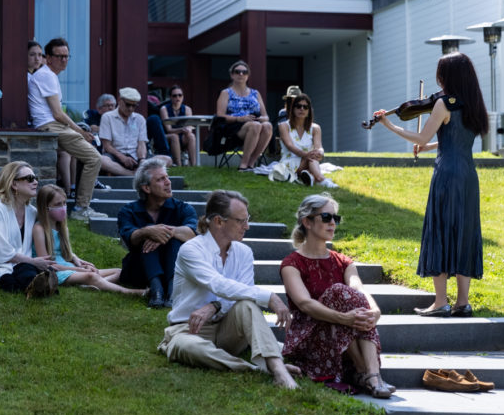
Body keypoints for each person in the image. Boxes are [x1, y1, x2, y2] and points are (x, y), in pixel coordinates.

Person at [373, 52, 488, 318]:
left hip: (447, 174)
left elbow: (420, 134)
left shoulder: (442, 105)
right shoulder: (473, 103)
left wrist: (388, 124)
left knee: (440, 230)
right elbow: (459, 139)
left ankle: (439, 302)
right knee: (463, 233)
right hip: (468, 175)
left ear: (445, 76)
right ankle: (462, 303)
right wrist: (432, 146)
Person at [159, 189, 300, 389]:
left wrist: (215, 306)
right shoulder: (191, 250)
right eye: (241, 221)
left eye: (247, 219)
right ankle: (257, 369)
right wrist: (269, 297)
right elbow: (217, 284)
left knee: (246, 305)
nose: (247, 226)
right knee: (186, 346)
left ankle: (279, 371)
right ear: (218, 221)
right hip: (189, 329)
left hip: (229, 329)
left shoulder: (243, 252)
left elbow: (242, 292)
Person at [280, 194, 394, 398]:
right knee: (338, 292)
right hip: (310, 340)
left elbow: (358, 288)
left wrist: (375, 311)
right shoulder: (292, 264)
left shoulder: (343, 261)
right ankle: (368, 373)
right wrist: (344, 318)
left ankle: (370, 373)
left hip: (343, 344)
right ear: (307, 221)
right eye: (326, 217)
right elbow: (305, 304)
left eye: (336, 218)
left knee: (353, 296)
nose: (333, 223)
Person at [28, 37, 104, 222]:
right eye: (59, 56)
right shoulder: (46, 75)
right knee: (94, 158)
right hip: (50, 126)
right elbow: (57, 114)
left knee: (87, 156)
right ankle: (81, 208)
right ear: (49, 58)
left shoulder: (48, 75)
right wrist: (80, 130)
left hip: (52, 125)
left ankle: (77, 200)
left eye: (67, 56)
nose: (64, 60)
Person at [33, 184, 144, 296]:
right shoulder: (39, 229)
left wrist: (78, 262)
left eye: (64, 203)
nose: (63, 207)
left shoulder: (62, 228)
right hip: (55, 272)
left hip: (68, 267)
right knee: (91, 275)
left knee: (119, 272)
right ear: (45, 208)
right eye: (58, 204)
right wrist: (82, 270)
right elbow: (47, 265)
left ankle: (88, 284)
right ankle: (133, 292)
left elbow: (64, 253)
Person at [0, 161, 58, 295]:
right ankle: (37, 286)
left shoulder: (31, 212)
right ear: (14, 184)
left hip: (20, 263)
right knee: (10, 278)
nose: (36, 182)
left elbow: (54, 234)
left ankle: (39, 285)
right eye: (30, 179)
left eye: (36, 178)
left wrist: (73, 258)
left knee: (26, 270)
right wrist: (33, 261)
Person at [117, 158, 197, 308]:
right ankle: (156, 290)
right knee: (145, 234)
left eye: (167, 177)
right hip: (140, 272)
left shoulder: (183, 208)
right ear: (146, 188)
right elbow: (131, 238)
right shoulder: (128, 211)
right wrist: (148, 231)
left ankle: (172, 291)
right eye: (161, 179)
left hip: (176, 270)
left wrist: (166, 232)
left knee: (175, 239)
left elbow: (192, 235)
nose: (168, 182)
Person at [214, 60, 273, 171]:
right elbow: (220, 116)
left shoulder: (255, 93)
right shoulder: (226, 93)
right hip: (233, 127)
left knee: (267, 125)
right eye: (237, 72)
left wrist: (261, 118)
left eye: (244, 72)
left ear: (248, 75)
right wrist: (239, 118)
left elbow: (266, 116)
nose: (241, 74)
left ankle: (251, 163)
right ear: (232, 75)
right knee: (254, 126)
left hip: (255, 125)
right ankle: (243, 164)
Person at [99, 87, 172, 175]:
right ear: (120, 101)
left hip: (136, 156)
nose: (130, 108)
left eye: (134, 106)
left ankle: (138, 171)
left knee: (168, 160)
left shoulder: (140, 119)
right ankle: (131, 174)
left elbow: (141, 143)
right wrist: (123, 158)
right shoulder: (107, 117)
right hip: (115, 156)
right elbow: (107, 146)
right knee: (101, 160)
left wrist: (142, 160)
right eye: (128, 105)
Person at [271, 93, 337, 188]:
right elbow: (290, 146)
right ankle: (320, 179)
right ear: (293, 109)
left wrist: (320, 153)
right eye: (298, 106)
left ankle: (312, 177)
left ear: (309, 111)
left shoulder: (315, 128)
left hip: (309, 160)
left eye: (305, 107)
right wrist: (305, 155)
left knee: (312, 157)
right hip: (290, 162)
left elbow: (319, 147)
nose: (302, 109)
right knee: (311, 158)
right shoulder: (284, 126)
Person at [159, 85, 198, 167]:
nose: (178, 97)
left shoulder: (187, 109)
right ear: (170, 97)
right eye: (175, 95)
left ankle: (194, 165)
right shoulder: (164, 109)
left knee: (191, 136)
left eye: (180, 95)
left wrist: (188, 130)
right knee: (174, 136)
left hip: (182, 136)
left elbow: (190, 127)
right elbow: (168, 129)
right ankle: (178, 165)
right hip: (167, 137)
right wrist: (183, 129)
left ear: (183, 96)